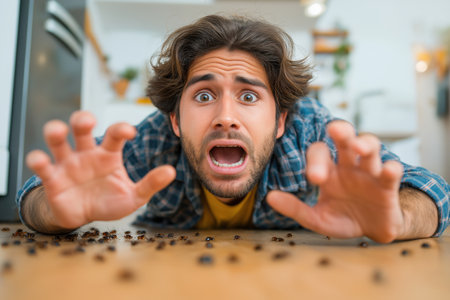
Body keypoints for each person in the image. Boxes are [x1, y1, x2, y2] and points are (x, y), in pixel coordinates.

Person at [17, 15, 449, 243]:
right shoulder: (151, 138)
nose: (226, 116)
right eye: (203, 96)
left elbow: (432, 191)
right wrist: (52, 211)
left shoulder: (312, 131)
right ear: (175, 118)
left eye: (248, 96)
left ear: (281, 120)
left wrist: (401, 215)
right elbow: (39, 192)